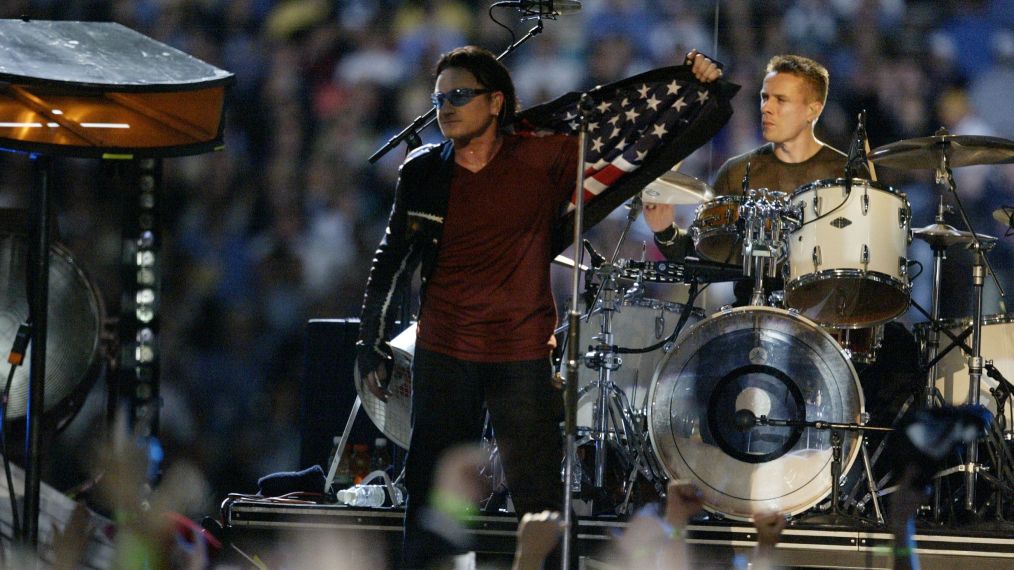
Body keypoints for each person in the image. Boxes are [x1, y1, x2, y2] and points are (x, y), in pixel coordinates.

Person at [355, 45, 723, 568]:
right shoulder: (422, 171)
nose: (446, 107)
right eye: (439, 98)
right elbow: (390, 261)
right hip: (443, 352)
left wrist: (693, 86)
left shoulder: (542, 157)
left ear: (497, 102)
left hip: (520, 356)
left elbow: (641, 148)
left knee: (540, 504)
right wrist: (370, 343)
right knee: (432, 499)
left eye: (461, 95)